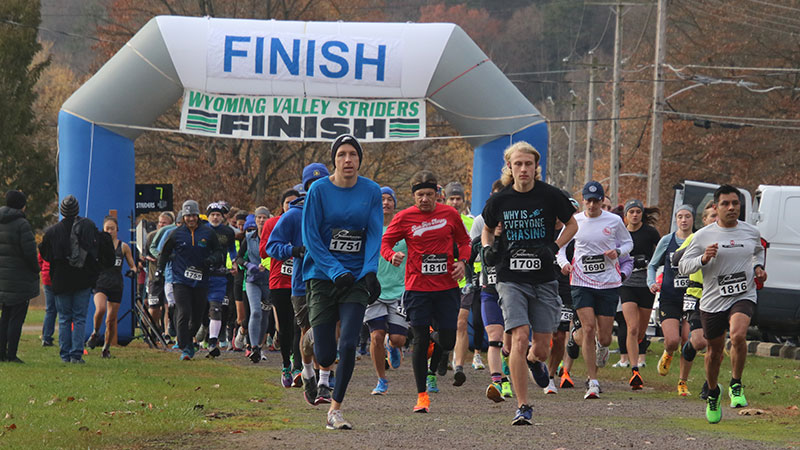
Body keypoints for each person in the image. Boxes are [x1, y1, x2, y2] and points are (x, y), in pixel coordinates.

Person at [481, 142, 577, 425]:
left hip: (544, 279)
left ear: (536, 167)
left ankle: (536, 362)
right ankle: (523, 405)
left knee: (543, 347)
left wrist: (555, 247)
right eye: (518, 164)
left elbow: (573, 225)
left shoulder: (550, 196)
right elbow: (487, 228)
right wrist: (488, 248)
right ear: (509, 167)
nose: (523, 169)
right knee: (519, 337)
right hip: (511, 277)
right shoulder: (500, 200)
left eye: (529, 164)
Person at [302, 135, 382, 430]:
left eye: (353, 155)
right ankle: (308, 360)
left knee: (348, 344)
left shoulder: (371, 191)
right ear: (334, 160)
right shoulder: (319, 191)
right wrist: (335, 269)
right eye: (342, 155)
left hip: (357, 277)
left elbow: (374, 232)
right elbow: (310, 237)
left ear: (360, 159)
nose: (348, 160)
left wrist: (370, 270)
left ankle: (335, 409)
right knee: (325, 353)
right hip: (322, 276)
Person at [383, 170, 471, 414]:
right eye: (420, 195)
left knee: (448, 340)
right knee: (420, 339)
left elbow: (465, 242)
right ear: (413, 196)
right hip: (417, 287)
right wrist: (392, 255)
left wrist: (462, 261)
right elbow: (385, 242)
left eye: (429, 195)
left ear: (437, 195)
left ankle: (437, 341)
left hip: (446, 287)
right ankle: (422, 395)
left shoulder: (450, 214)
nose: (424, 199)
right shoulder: (404, 218)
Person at [678, 184, 766, 424]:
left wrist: (759, 268)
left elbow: (759, 252)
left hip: (743, 294)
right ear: (716, 207)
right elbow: (683, 266)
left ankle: (736, 384)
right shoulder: (703, 235)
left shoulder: (751, 232)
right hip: (713, 300)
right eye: (726, 204)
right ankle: (714, 392)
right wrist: (703, 258)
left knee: (738, 335)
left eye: (735, 204)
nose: (731, 208)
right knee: (714, 352)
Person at [558, 181, 632, 400]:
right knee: (588, 328)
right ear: (583, 201)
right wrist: (564, 263)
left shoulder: (614, 221)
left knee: (606, 337)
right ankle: (593, 381)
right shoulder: (575, 221)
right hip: (581, 281)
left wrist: (617, 252)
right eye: (588, 200)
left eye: (596, 200)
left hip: (608, 283)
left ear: (602, 201)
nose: (591, 204)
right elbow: (560, 247)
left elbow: (629, 244)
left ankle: (602, 347)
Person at [267, 163, 331, 405]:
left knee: (329, 330)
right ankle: (308, 373)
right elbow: (273, 246)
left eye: (321, 183)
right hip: (302, 284)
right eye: (311, 185)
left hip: (331, 281)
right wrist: (293, 250)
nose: (316, 188)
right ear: (305, 188)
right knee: (308, 334)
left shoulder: (336, 212)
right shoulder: (293, 215)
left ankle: (325, 380)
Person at [40, 195, 113, 363]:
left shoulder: (52, 232)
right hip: (83, 278)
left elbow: (46, 255)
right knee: (80, 318)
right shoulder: (88, 226)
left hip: (61, 279)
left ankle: (65, 355)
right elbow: (98, 249)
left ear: (62, 211)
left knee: (64, 318)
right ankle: (76, 354)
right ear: (77, 210)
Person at [157, 200, 223, 360]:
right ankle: (185, 346)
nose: (191, 219)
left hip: (201, 280)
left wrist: (211, 260)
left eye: (193, 215)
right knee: (184, 311)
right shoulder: (176, 234)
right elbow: (164, 253)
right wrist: (160, 270)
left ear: (198, 216)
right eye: (187, 216)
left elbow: (219, 253)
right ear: (183, 217)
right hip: (180, 279)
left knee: (197, 316)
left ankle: (188, 341)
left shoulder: (208, 233)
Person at [469, 180, 514, 401]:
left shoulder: (513, 241)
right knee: (494, 338)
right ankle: (498, 382)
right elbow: (466, 261)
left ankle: (508, 370)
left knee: (509, 344)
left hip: (512, 295)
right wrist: (470, 280)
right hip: (488, 292)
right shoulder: (480, 241)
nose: (498, 225)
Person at [647, 205, 694, 395]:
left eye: (687, 216)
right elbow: (652, 265)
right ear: (676, 220)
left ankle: (682, 382)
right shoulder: (667, 241)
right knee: (673, 340)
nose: (684, 220)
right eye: (680, 217)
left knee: (687, 341)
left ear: (693, 219)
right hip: (669, 296)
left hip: (691, 297)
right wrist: (652, 282)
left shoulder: (697, 240)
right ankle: (668, 352)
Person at [366, 186, 409, 395]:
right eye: (381, 199)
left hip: (400, 289)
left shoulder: (403, 228)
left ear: (395, 203)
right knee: (376, 336)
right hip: (374, 289)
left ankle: (393, 347)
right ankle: (381, 380)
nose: (385, 203)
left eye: (389, 199)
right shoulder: (370, 227)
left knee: (398, 339)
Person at [671, 203, 716, 399]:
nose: (715, 219)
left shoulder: (730, 237)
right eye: (711, 216)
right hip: (696, 294)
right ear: (704, 220)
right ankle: (687, 353)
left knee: (715, 344)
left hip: (718, 296)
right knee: (698, 342)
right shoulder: (695, 237)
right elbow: (675, 260)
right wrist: (694, 249)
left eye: (717, 215)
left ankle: (710, 385)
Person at [260, 188, 303, 387]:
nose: (292, 206)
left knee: (299, 326)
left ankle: (298, 366)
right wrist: (288, 248)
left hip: (301, 280)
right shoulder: (272, 223)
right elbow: (264, 250)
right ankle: (286, 364)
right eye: (288, 203)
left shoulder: (306, 220)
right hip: (280, 280)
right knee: (285, 326)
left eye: (296, 202)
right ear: (282, 205)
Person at [617, 199, 661, 390]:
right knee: (632, 328)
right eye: (631, 212)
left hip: (646, 285)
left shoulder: (650, 233)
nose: (634, 215)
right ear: (625, 215)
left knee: (640, 332)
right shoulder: (620, 233)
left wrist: (648, 261)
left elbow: (661, 255)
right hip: (626, 285)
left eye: (637, 212)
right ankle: (635, 370)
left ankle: (638, 347)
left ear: (642, 214)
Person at [446, 181, 485, 379]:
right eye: (451, 198)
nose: (455, 202)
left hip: (466, 280)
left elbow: (474, 250)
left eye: (458, 198)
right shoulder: (438, 221)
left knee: (463, 322)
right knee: (444, 326)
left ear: (463, 200)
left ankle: (458, 363)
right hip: (442, 280)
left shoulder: (471, 222)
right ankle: (442, 353)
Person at [87, 216, 136, 358]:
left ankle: (106, 348)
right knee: (100, 308)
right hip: (101, 281)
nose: (109, 231)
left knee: (111, 319)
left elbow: (133, 265)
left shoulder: (123, 247)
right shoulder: (98, 245)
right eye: (107, 228)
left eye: (112, 228)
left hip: (116, 283)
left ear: (117, 230)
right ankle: (95, 333)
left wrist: (132, 271)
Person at [0, 190, 40, 362]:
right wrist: (35, 269)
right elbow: (30, 253)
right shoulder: (22, 225)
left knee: (4, 317)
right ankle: (11, 354)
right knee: (16, 318)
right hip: (19, 279)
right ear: (22, 205)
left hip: (2, 279)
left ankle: (1, 353)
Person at [205, 202, 238, 358]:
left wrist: (234, 261)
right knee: (200, 309)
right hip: (202, 274)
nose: (215, 217)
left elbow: (232, 249)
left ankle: (213, 342)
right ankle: (203, 332)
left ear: (223, 217)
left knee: (216, 308)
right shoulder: (202, 230)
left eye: (218, 215)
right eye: (212, 214)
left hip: (219, 274)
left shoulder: (228, 232)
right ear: (208, 216)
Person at [38, 251, 56, 347]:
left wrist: (43, 270)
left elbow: (39, 260)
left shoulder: (45, 243)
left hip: (46, 277)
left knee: (50, 310)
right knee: (64, 311)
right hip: (58, 277)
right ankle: (65, 339)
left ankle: (46, 337)